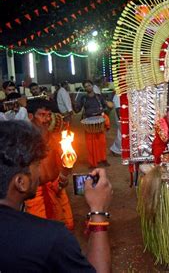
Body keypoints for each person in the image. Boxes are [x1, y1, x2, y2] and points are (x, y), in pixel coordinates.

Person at [0, 121, 112, 272]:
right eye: (37, 165)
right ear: (21, 183)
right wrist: (98, 211)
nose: (40, 172)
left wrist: (65, 171)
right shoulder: (48, 239)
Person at [24, 99, 74, 230]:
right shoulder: (23, 141)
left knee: (65, 226)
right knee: (40, 232)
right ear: (30, 116)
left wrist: (64, 176)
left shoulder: (56, 138)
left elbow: (64, 164)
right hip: (35, 195)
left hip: (56, 188)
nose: (47, 119)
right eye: (42, 115)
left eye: (49, 115)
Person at [75, 80, 110, 168]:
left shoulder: (99, 97)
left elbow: (105, 107)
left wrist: (104, 112)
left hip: (99, 122)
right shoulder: (83, 98)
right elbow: (77, 110)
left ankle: (103, 159)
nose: (88, 87)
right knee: (90, 144)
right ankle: (92, 163)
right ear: (84, 88)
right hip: (89, 123)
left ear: (92, 86)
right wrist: (74, 104)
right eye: (86, 86)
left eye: (89, 85)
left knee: (101, 143)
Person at [109, 92, 122, 157]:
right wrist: (121, 119)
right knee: (121, 134)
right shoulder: (118, 95)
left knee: (121, 134)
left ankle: (116, 149)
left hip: (125, 118)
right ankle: (115, 150)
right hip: (121, 118)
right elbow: (118, 109)